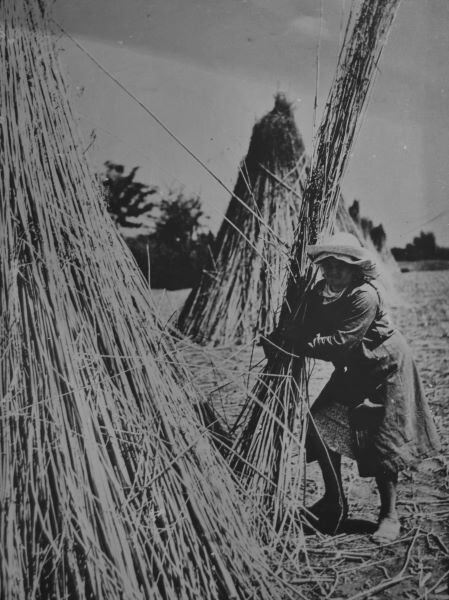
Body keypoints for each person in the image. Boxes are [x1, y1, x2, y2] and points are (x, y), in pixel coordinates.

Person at [263, 232, 440, 542]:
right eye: (328, 265)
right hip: (355, 367)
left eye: (340, 266)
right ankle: (334, 503)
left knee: (383, 440)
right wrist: (280, 337)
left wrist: (297, 344)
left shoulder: (364, 295)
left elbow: (338, 345)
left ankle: (389, 515)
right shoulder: (321, 292)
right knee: (318, 425)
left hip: (385, 367)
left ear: (356, 268)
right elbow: (306, 326)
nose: (333, 271)